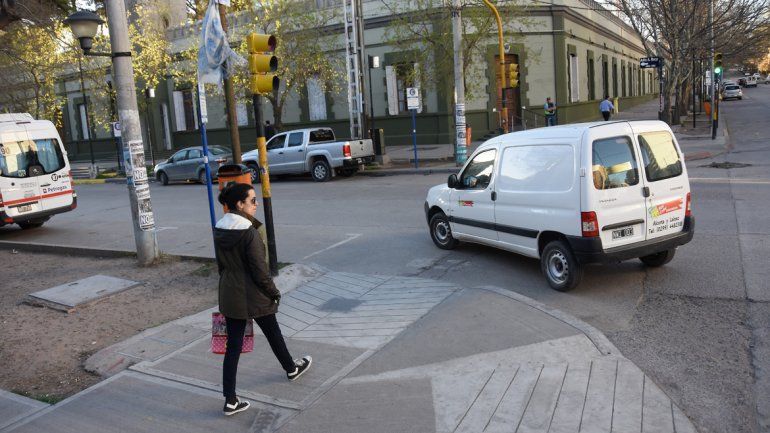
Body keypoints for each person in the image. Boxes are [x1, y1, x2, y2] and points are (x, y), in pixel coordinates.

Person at [214, 182, 312, 416]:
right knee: (273, 332)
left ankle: (230, 399)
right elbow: (260, 271)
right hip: (254, 294)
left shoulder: (220, 228)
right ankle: (291, 368)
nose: (256, 204)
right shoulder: (249, 232)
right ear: (240, 204)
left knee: (233, 347)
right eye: (253, 200)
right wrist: (273, 292)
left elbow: (220, 265)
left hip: (230, 293)